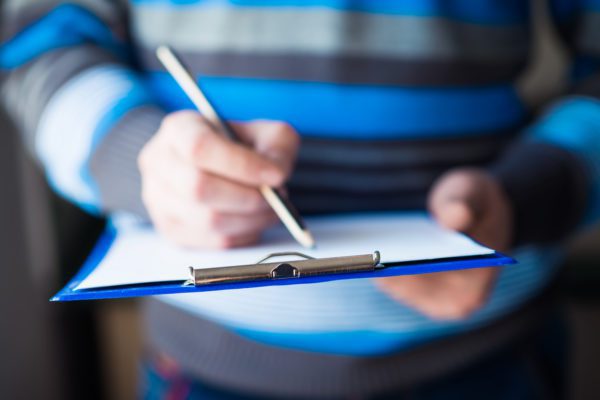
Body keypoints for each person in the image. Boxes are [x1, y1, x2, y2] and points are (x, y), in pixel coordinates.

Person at [1, 1, 598, 398]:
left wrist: (536, 189)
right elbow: (37, 45)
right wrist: (132, 153)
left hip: (494, 358)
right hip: (207, 368)